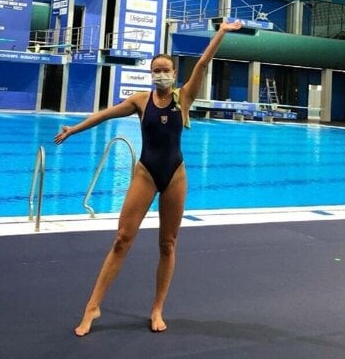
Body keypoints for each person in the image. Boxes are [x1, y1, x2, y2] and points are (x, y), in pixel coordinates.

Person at [54, 20, 243, 336]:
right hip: (146, 173)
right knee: (121, 239)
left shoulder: (183, 99)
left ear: (173, 73)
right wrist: (74, 129)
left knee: (168, 244)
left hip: (175, 177)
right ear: (151, 73)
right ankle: (92, 306)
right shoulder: (140, 101)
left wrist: (221, 32)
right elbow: (106, 114)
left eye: (165, 69)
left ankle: (157, 308)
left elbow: (203, 63)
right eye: (156, 69)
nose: (160, 74)